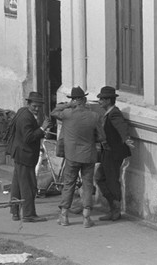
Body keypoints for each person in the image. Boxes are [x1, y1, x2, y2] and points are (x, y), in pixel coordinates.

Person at [51, 86, 104, 228]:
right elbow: (101, 136)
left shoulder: (67, 114)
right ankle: (86, 217)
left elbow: (54, 111)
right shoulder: (94, 116)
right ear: (85, 99)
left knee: (69, 184)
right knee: (87, 185)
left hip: (72, 156)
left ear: (73, 100)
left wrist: (69, 104)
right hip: (88, 155)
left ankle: (64, 216)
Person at [8, 92, 51, 223]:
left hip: (20, 154)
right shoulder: (26, 117)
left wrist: (39, 129)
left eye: (39, 106)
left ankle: (15, 212)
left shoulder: (22, 112)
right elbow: (28, 137)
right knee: (28, 185)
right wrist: (42, 129)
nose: (37, 109)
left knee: (17, 184)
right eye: (34, 106)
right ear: (28, 104)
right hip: (25, 155)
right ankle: (28, 214)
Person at [95, 86, 134, 221]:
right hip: (107, 152)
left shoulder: (114, 113)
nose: (99, 101)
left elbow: (122, 127)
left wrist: (126, 139)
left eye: (101, 99)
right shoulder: (107, 113)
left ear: (108, 100)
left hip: (113, 154)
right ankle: (113, 206)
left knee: (111, 181)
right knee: (99, 178)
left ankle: (115, 210)